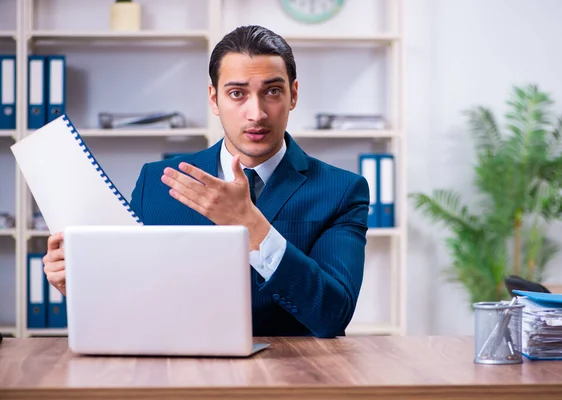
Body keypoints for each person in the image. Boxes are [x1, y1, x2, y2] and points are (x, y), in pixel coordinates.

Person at [43, 25, 369, 338]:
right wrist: (85, 288)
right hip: (176, 376)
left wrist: (253, 227)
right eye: (237, 93)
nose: (256, 113)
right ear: (214, 99)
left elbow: (332, 315)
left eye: (272, 91)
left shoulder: (341, 191)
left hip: (288, 377)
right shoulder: (155, 183)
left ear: (293, 94)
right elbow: (137, 298)